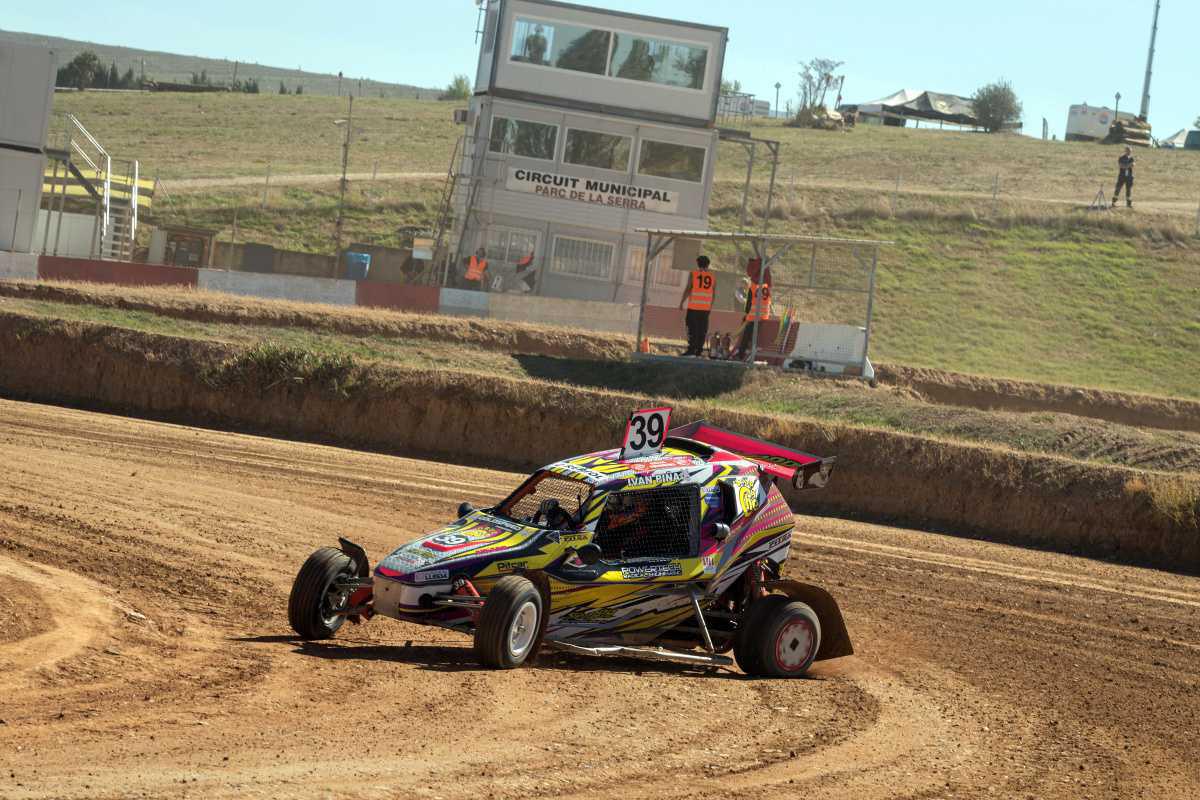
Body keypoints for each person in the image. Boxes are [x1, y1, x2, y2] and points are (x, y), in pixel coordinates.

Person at [678, 255, 716, 357]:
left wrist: (682, 302)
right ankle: (698, 351)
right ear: (708, 265)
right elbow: (713, 293)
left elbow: (688, 289)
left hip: (694, 307)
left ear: (698, 264)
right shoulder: (712, 277)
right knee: (702, 330)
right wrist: (710, 307)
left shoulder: (693, 274)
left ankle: (691, 350)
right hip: (705, 309)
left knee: (691, 328)